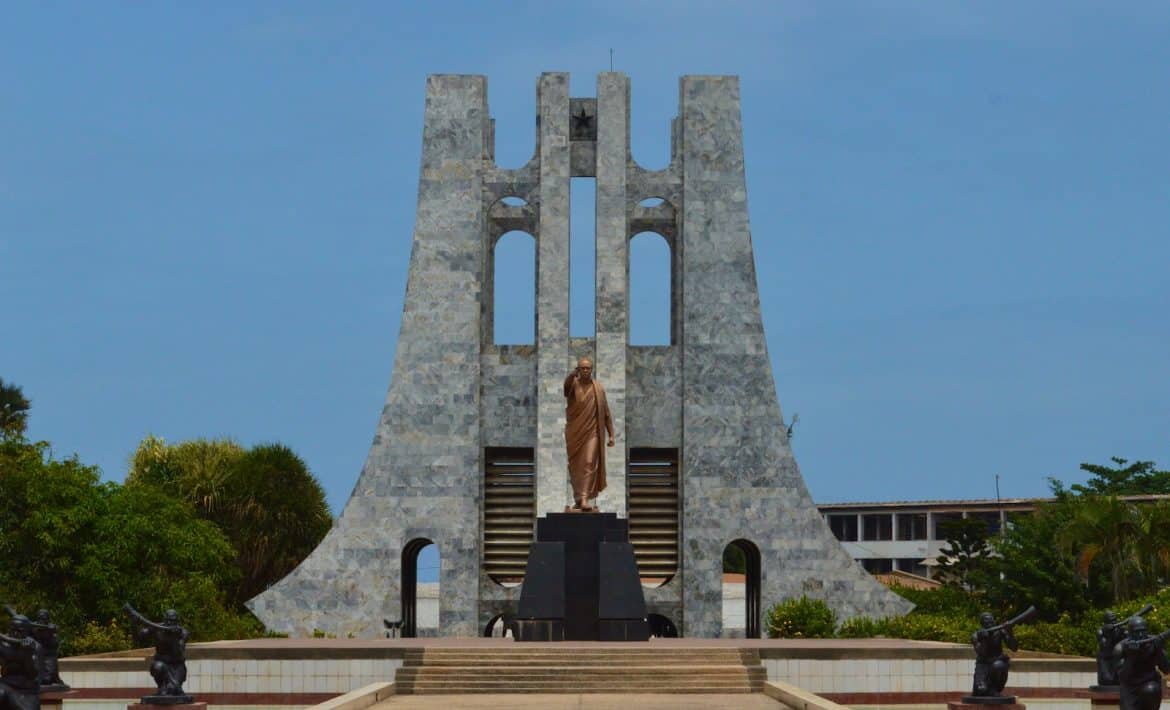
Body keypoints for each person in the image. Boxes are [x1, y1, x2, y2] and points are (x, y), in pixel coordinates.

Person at [563, 357, 615, 512]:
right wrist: (572, 375)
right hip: (575, 432)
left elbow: (606, 414)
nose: (586, 371)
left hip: (592, 432)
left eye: (588, 368)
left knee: (588, 462)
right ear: (578, 369)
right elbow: (565, 389)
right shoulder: (573, 385)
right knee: (575, 467)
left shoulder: (598, 388)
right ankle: (578, 498)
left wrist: (611, 434)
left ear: (591, 370)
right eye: (582, 368)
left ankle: (585, 498)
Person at [123, 605, 191, 700]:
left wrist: (177, 638)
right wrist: (134, 623)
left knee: (173, 690)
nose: (171, 623)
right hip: (161, 664)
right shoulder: (156, 629)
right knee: (157, 667)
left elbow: (180, 651)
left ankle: (173, 687)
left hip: (176, 666)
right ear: (165, 620)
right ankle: (162, 687)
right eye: (169, 620)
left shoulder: (182, 633)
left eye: (173, 621)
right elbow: (138, 638)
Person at [1114, 616, 1170, 710]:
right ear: (1129, 633)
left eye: (1143, 631)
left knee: (1151, 689)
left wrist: (1159, 650)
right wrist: (1133, 656)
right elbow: (1121, 676)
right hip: (1129, 687)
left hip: (1149, 684)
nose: (1140, 635)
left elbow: (1166, 670)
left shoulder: (1153, 642)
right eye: (1136, 632)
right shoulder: (1120, 649)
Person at [971, 611, 1017, 697]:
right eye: (987, 623)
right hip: (983, 665)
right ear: (982, 624)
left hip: (998, 664)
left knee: (997, 665)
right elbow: (982, 653)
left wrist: (1010, 632)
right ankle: (986, 688)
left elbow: (1014, 648)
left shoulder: (1000, 632)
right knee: (979, 691)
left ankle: (993, 689)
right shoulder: (976, 636)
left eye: (992, 622)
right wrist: (985, 640)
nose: (990, 625)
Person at [0, 615, 41, 710]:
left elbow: (33, 675)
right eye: (12, 630)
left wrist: (27, 655)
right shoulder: (3, 644)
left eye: (19, 631)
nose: (15, 633)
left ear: (27, 632)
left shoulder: (36, 647)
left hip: (27, 690)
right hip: (6, 684)